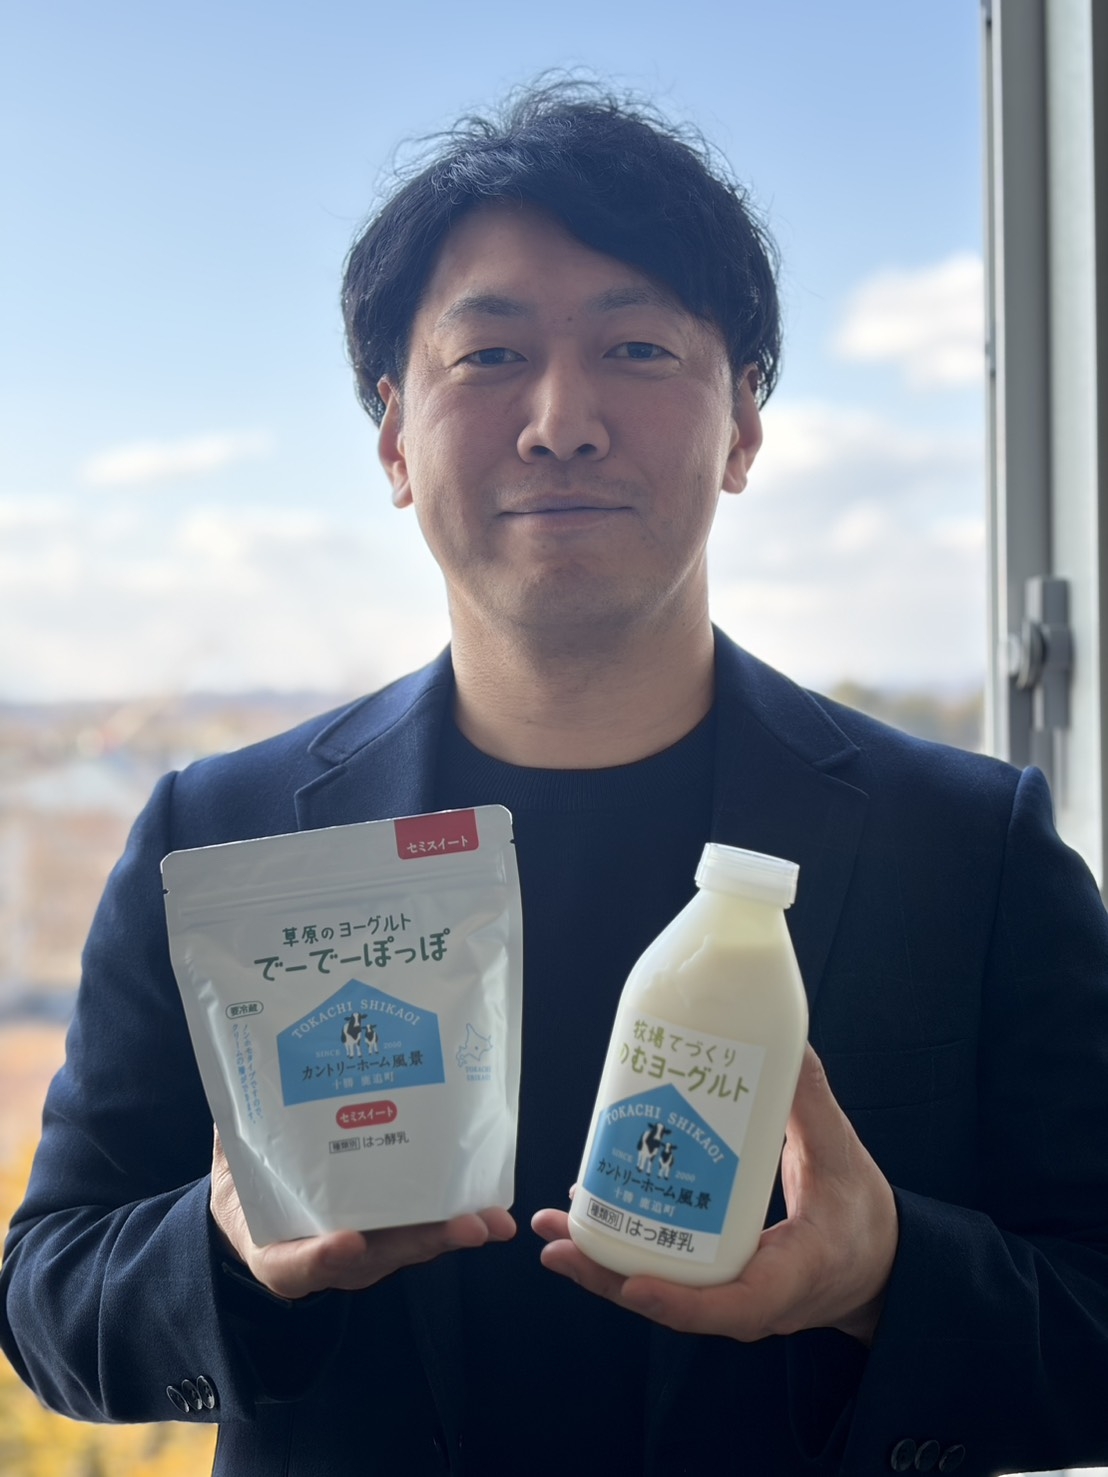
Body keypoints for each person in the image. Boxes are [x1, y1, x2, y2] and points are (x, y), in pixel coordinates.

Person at [3, 80, 1108, 1477]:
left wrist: (887, 1274)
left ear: (744, 425)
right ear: (395, 438)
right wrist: (229, 1247)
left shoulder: (968, 847)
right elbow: (49, 1296)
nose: (562, 419)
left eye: (639, 348)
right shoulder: (224, 836)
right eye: (492, 355)